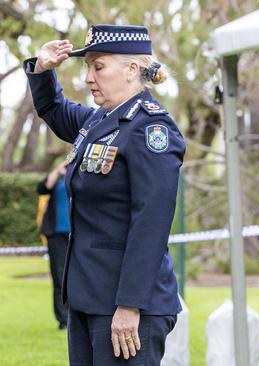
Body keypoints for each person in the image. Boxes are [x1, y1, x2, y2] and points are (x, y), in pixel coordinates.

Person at [24, 24, 185, 365]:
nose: (88, 78)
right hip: (90, 297)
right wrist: (41, 69)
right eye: (87, 68)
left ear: (131, 70)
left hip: (126, 305)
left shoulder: (150, 129)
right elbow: (53, 109)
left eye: (98, 67)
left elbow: (151, 223)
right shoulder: (98, 122)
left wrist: (130, 304)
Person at [37, 160, 71, 330]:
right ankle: (63, 319)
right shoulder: (57, 179)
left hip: (78, 234)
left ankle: (77, 316)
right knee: (59, 277)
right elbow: (42, 188)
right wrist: (58, 171)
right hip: (56, 234)